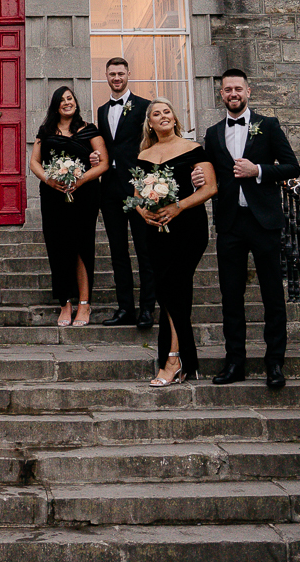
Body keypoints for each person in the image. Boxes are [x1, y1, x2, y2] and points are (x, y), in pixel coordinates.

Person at [198, 69, 300, 390]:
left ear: (248, 92)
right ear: (221, 94)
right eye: (227, 89)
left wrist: (258, 170)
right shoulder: (213, 133)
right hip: (230, 223)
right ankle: (235, 362)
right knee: (231, 296)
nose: (233, 93)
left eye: (238, 89)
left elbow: (291, 166)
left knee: (272, 293)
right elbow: (209, 174)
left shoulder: (268, 125)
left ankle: (274, 363)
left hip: (264, 221)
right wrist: (199, 179)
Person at [131, 99, 217, 387]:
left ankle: (172, 359)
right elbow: (136, 195)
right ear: (150, 124)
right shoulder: (144, 155)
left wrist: (178, 206)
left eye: (167, 111)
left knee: (173, 288)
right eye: (156, 114)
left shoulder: (193, 149)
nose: (163, 116)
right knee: (168, 291)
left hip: (188, 229)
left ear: (174, 118)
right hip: (155, 231)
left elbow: (211, 188)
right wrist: (142, 211)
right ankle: (182, 361)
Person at [29, 85, 109, 327]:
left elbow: (103, 163)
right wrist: (49, 180)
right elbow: (34, 162)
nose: (67, 102)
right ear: (56, 105)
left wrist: (81, 179)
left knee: (81, 246)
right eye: (62, 99)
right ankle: (65, 302)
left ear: (76, 102)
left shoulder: (89, 130)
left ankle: (84, 303)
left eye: (70, 98)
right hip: (53, 196)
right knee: (58, 247)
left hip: (84, 195)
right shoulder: (46, 131)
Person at [95, 57, 155, 332]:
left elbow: (151, 146)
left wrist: (147, 184)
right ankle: (125, 308)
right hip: (110, 189)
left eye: (120, 73)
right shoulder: (101, 110)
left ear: (129, 74)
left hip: (138, 188)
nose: (116, 78)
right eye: (112, 74)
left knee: (144, 250)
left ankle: (147, 309)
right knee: (118, 251)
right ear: (106, 76)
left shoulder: (145, 107)